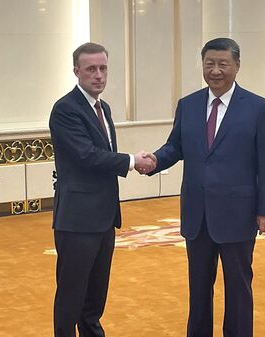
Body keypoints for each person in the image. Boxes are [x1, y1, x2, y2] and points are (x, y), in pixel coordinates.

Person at [146, 38, 265, 337]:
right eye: (210, 64)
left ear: (237, 66)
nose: (216, 71)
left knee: (239, 289)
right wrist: (154, 160)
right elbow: (175, 146)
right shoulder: (188, 104)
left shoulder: (258, 108)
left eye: (223, 64)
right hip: (198, 216)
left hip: (239, 215)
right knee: (198, 290)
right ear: (203, 65)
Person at [49, 42, 155, 337]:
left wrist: (132, 162)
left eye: (103, 68)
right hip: (77, 220)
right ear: (76, 71)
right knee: (71, 295)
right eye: (91, 69)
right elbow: (87, 155)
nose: (98, 75)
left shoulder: (102, 108)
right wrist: (133, 161)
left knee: (95, 296)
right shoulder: (65, 109)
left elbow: (103, 157)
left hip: (105, 217)